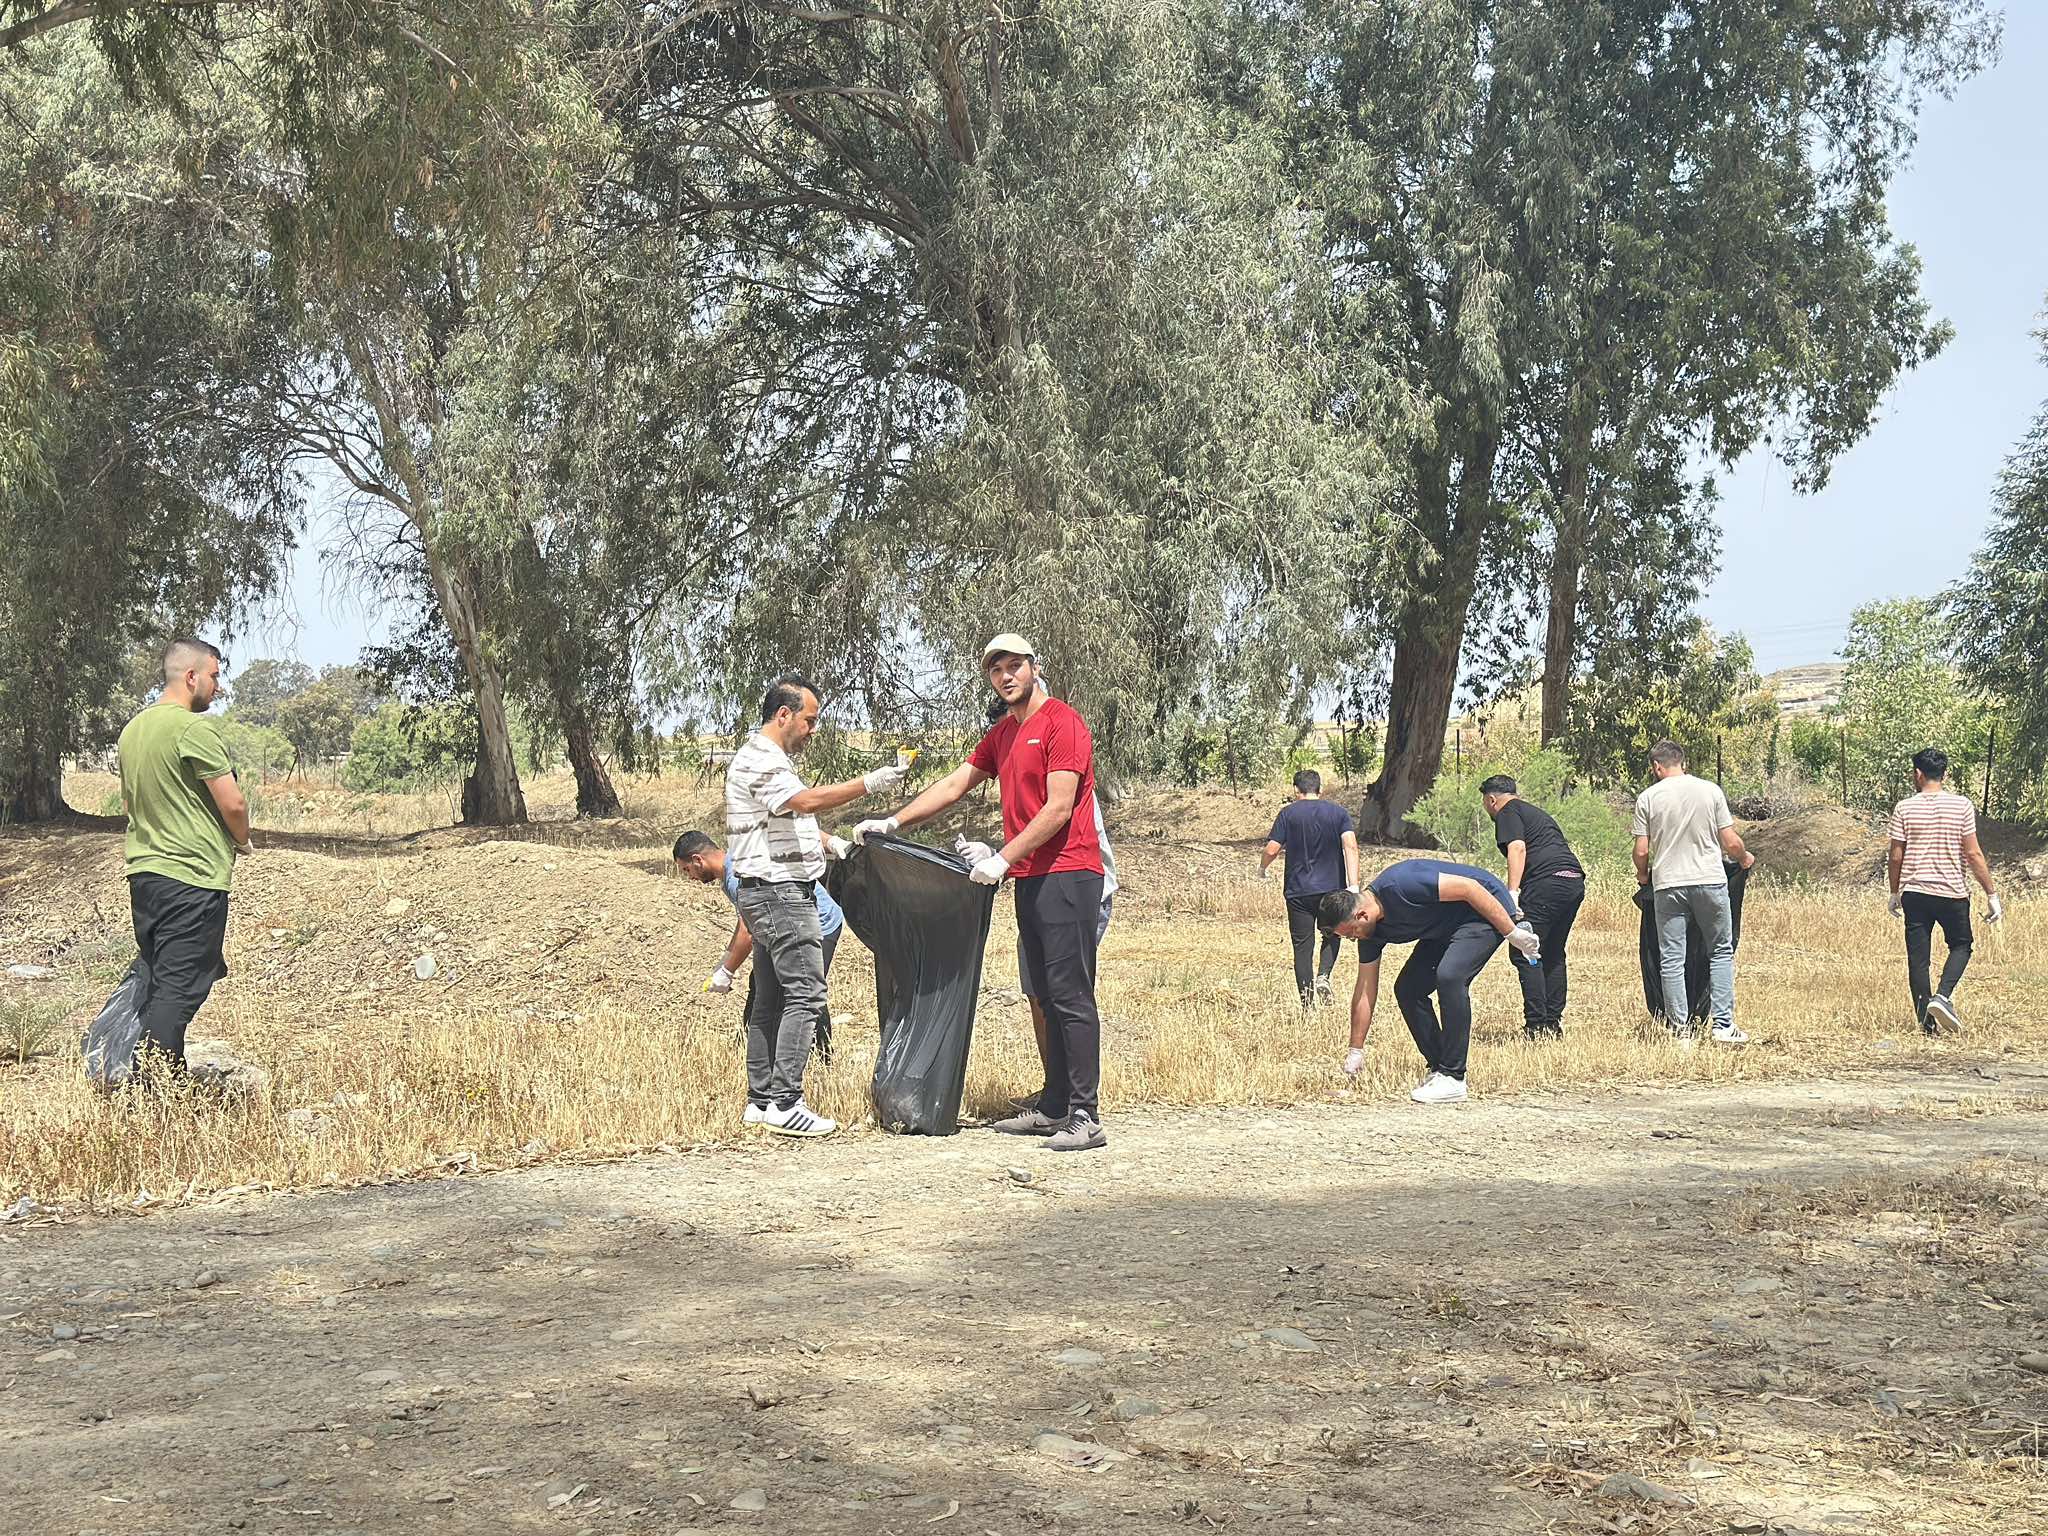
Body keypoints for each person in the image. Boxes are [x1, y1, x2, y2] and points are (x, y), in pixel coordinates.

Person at [854, 634, 1109, 1152]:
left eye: (1016, 666)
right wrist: (892, 821)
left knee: (1070, 994)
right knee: (1040, 993)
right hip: (1032, 878)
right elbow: (954, 785)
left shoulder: (1063, 722)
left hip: (1069, 873)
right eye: (997, 670)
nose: (1007, 676)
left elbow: (1059, 808)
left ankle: (1086, 1114)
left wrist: (1001, 857)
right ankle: (1056, 1106)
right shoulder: (1004, 734)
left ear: (1034, 668)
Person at [722, 673, 906, 1137]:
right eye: (809, 720)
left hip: (765, 892)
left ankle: (760, 1101)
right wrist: (869, 783)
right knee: (806, 993)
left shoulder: (767, 758)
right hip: (782, 893)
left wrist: (835, 844)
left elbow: (788, 818)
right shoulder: (763, 759)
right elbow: (803, 802)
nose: (813, 729)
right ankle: (787, 1101)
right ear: (783, 715)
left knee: (770, 996)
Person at [115, 638, 252, 1072]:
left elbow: (128, 806)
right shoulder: (195, 730)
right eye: (214, 675)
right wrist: (241, 839)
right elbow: (233, 804)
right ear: (191, 677)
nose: (219, 687)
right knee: (179, 988)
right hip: (192, 878)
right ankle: (155, 1095)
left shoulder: (132, 731)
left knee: (163, 980)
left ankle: (153, 1083)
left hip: (145, 876)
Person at [1315, 859, 1540, 1104]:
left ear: (1361, 914)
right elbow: (1365, 989)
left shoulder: (1401, 885)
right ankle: (1438, 1069)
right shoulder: (1370, 933)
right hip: (1443, 928)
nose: (1352, 939)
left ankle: (1453, 1078)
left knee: (1450, 976)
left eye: (1350, 933)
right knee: (1408, 989)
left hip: (1483, 910)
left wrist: (1512, 933)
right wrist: (1355, 1050)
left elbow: (1470, 888)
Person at [673, 828, 846, 1073]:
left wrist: (727, 970)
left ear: (697, 860)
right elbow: (746, 920)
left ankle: (822, 1057)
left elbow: (747, 930)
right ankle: (753, 1046)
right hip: (789, 926)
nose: (690, 877)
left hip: (819, 923)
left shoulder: (736, 875)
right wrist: (727, 956)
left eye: (686, 870)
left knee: (802, 990)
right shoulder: (733, 869)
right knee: (762, 984)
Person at [1631, 740, 1754, 1045]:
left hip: (1669, 886)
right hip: (1709, 882)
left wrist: (1643, 875)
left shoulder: (1648, 797)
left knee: (1671, 957)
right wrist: (1744, 859)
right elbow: (1730, 841)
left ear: (1657, 767)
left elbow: (1641, 850)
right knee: (1721, 951)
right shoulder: (1709, 790)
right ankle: (1723, 1026)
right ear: (1682, 762)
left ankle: (1680, 1030)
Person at [1888, 746, 2001, 1034]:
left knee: (1919, 959)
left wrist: (1894, 891)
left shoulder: (1904, 807)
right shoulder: (1961, 806)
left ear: (1917, 774)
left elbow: (1896, 856)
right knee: (1962, 945)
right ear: (1945, 773)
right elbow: (1974, 855)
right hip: (1952, 892)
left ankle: (1926, 1025)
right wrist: (1991, 894)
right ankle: (1943, 996)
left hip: (1915, 892)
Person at [1479, 774, 1585, 1039]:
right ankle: (1552, 1024)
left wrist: (1512, 893)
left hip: (1546, 883)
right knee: (1552, 951)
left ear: (1492, 799)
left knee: (1524, 950)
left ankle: (1537, 1026)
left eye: (1484, 802)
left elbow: (1517, 849)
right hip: (1572, 881)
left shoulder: (1507, 811)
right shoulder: (1534, 812)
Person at [1260, 769, 1359, 1005]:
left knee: (1303, 948)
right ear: (1320, 790)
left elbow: (1272, 849)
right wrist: (1353, 886)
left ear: (1297, 791)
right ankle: (1324, 975)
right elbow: (1351, 847)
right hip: (1332, 889)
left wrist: (1262, 869)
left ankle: (1307, 1005)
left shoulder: (1288, 814)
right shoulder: (1338, 813)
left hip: (1298, 891)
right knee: (1334, 932)